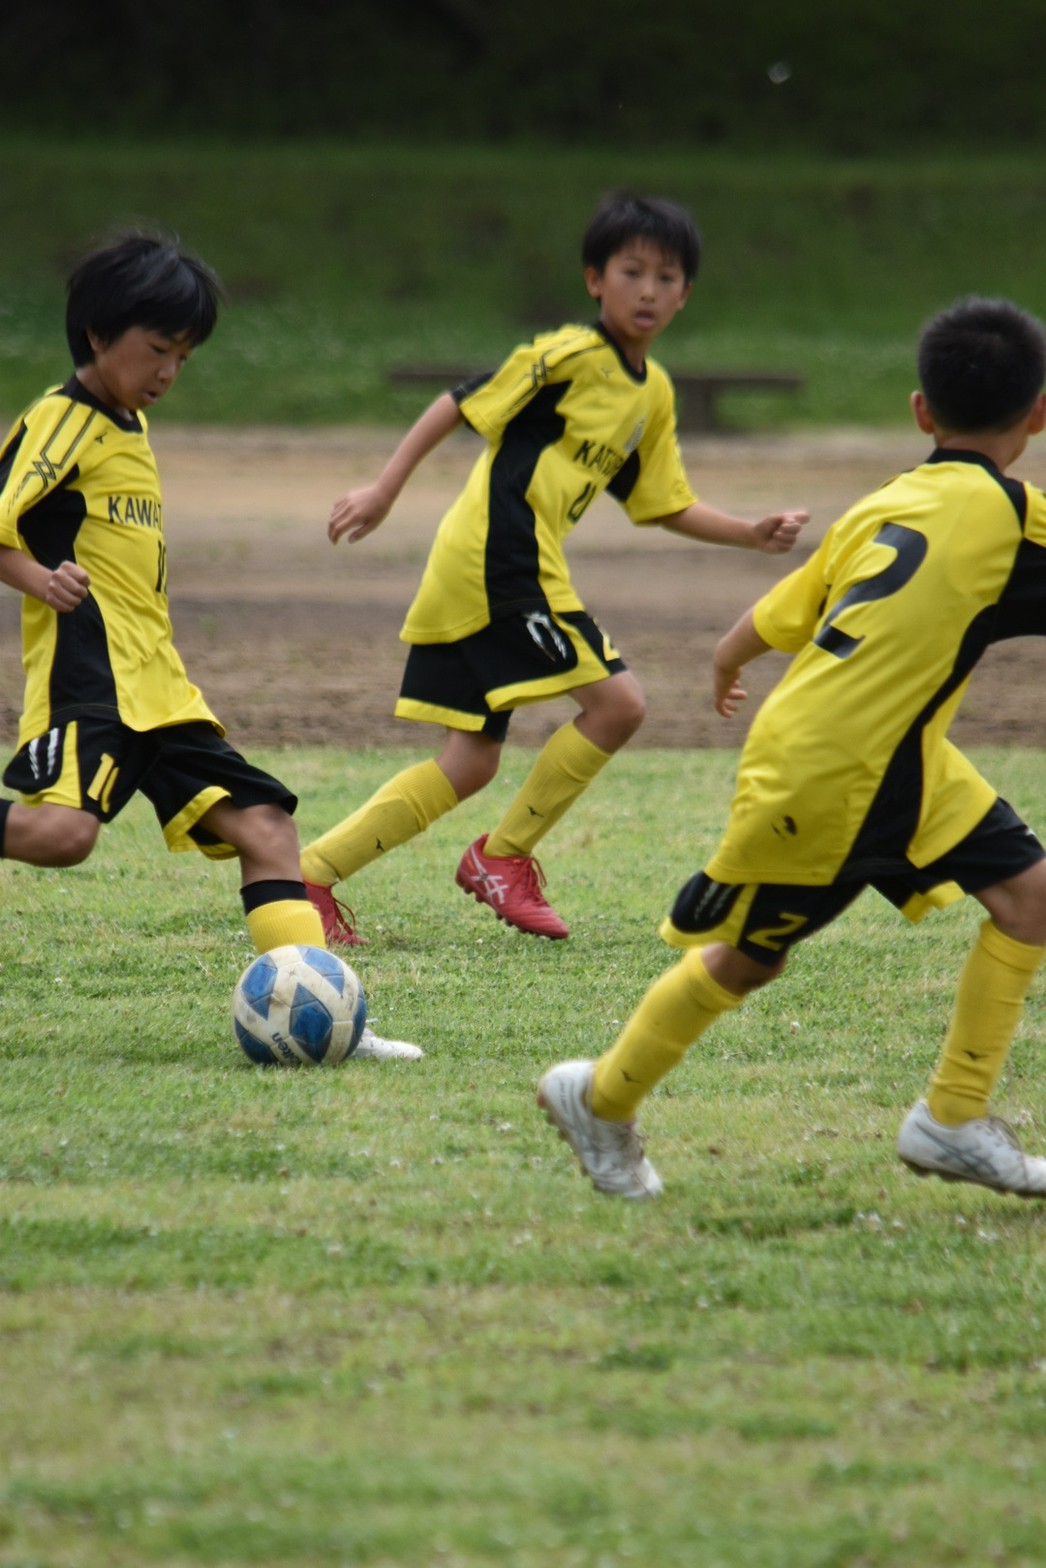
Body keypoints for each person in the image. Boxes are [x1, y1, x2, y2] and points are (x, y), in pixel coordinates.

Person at [538, 294, 1046, 1199]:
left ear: (921, 413)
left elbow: (765, 622)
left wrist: (728, 663)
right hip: (835, 771)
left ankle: (953, 1120)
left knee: (1032, 901)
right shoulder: (1015, 519)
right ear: (1038, 415)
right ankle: (601, 1098)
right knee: (748, 958)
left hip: (895, 754)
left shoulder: (881, 506)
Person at [301, 192, 807, 946]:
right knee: (619, 705)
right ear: (594, 279)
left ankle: (310, 875)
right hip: (500, 561)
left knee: (469, 762)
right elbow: (459, 403)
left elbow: (661, 501)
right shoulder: (570, 355)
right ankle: (502, 859)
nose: (648, 290)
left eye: (666, 278)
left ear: (685, 295)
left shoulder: (652, 393)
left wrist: (749, 533)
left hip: (488, 569)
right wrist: (383, 488)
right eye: (631, 271)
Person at [0, 230, 420, 1062]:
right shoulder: (60, 421)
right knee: (63, 837)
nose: (168, 373)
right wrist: (36, 577)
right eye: (157, 350)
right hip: (94, 680)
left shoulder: (128, 428)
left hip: (163, 691)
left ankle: (331, 1017)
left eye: (183, 358)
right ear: (96, 335)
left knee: (267, 828)